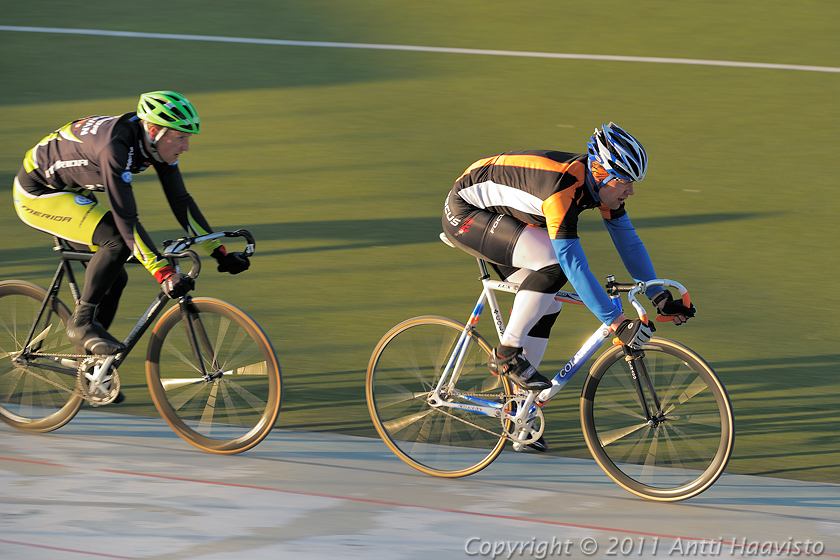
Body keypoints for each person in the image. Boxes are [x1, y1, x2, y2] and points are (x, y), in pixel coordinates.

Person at [442, 123, 695, 448]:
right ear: (602, 173)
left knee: (548, 302)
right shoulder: (562, 190)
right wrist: (616, 322)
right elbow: (572, 265)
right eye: (626, 182)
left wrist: (660, 297)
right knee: (555, 264)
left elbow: (628, 243)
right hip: (466, 212)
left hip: (508, 216)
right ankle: (506, 354)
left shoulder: (599, 188)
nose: (630, 191)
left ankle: (519, 411)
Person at [12, 90, 250, 358]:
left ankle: (92, 368)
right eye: (181, 137)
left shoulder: (154, 144)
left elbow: (180, 200)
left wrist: (218, 253)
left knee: (113, 276)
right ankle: (80, 324)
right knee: (116, 241)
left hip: (73, 188)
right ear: (154, 130)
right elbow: (126, 218)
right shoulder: (115, 148)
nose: (186, 147)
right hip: (38, 193)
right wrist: (163, 273)